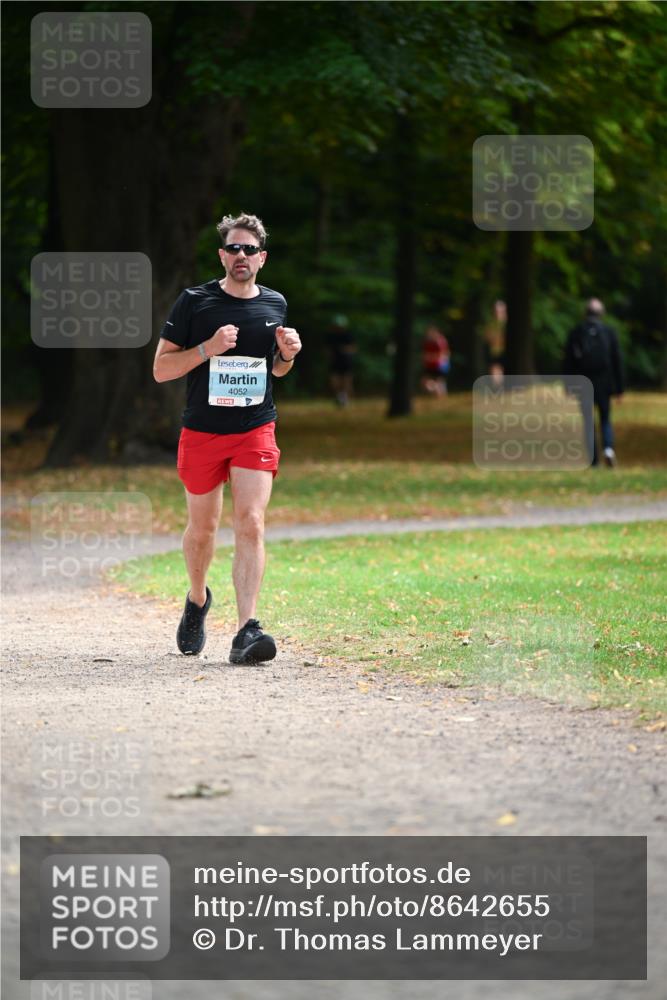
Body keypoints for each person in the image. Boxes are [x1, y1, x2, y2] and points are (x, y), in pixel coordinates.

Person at [153, 212, 301, 662]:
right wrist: (208, 348)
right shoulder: (194, 302)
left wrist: (289, 357)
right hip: (202, 430)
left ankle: (246, 631)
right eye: (233, 248)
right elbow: (161, 369)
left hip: (255, 428)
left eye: (249, 250)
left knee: (251, 522)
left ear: (262, 259)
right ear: (222, 255)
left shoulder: (275, 303)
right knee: (203, 529)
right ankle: (197, 599)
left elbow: (274, 369)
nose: (241, 256)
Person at [563, 298, 624, 467]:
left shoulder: (576, 333)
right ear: (601, 314)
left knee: (588, 420)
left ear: (585, 313)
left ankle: (593, 460)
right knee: (605, 418)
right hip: (604, 383)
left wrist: (568, 386)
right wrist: (619, 388)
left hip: (584, 383)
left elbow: (568, 361)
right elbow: (617, 360)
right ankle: (608, 449)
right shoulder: (609, 332)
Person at [326, 314, 356, 407]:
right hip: (334, 361)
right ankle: (340, 398)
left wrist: (344, 349)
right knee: (334, 381)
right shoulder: (330, 336)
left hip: (346, 361)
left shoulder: (348, 335)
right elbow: (326, 349)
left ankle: (344, 399)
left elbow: (353, 348)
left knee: (346, 381)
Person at [421, 325, 450, 396]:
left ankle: (440, 392)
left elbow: (442, 355)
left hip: (440, 365)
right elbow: (424, 354)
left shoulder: (440, 342)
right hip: (430, 365)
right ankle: (439, 391)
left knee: (437, 382)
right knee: (427, 382)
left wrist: (430, 357)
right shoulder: (428, 342)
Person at [483, 299, 507, 387]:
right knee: (495, 371)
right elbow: (486, 338)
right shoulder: (491, 324)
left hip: (505, 352)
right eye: (496, 311)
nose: (497, 313)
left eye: (500, 311)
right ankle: (498, 388)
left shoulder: (508, 324)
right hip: (494, 352)